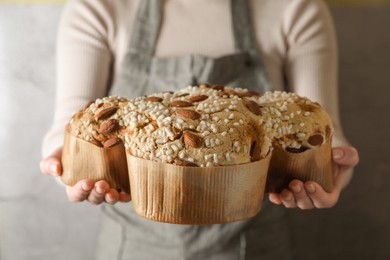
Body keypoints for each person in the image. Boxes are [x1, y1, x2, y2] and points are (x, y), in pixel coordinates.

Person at [40, 0, 359, 259]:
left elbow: (321, 129)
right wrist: (65, 164)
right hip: (131, 247)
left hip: (255, 246)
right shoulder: (97, 7)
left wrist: (332, 167)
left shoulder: (296, 8)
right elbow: (71, 127)